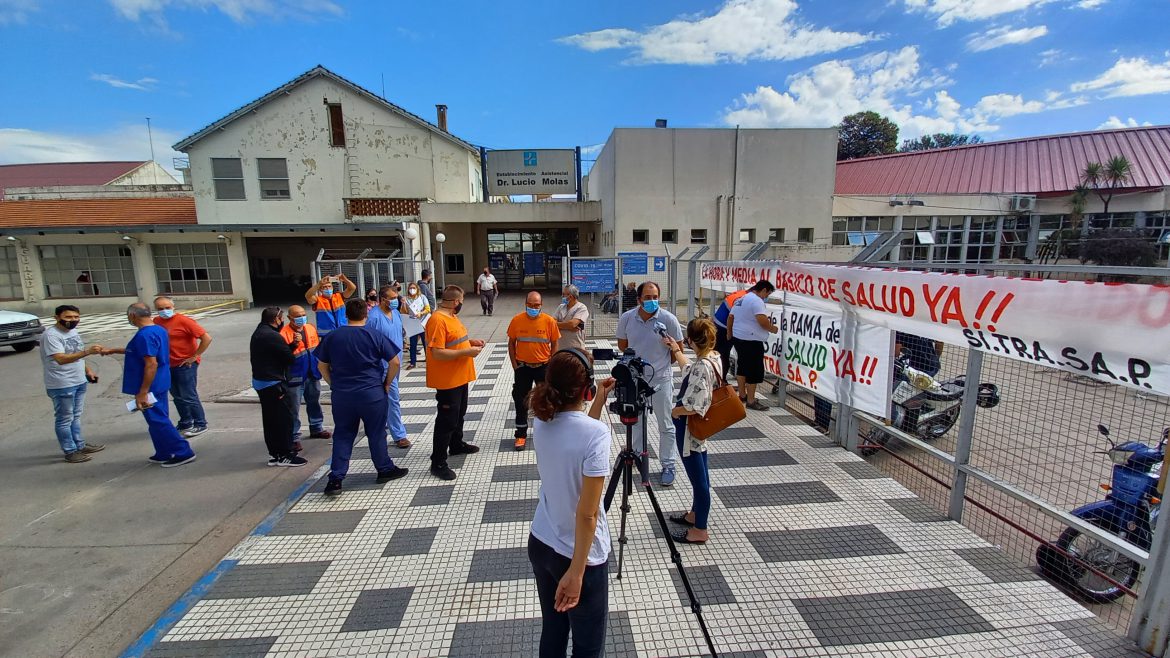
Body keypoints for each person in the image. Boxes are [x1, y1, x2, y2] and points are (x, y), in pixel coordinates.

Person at [528, 349, 616, 658]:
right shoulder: (596, 434)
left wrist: (599, 401)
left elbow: (575, 434)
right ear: (586, 388)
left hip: (541, 542)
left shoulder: (541, 419)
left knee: (553, 629)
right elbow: (588, 514)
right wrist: (577, 573)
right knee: (588, 648)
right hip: (580, 556)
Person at [317, 299, 408, 496]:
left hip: (343, 395)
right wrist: (386, 383)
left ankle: (336, 478)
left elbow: (321, 365)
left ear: (346, 315)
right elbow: (394, 362)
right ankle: (384, 468)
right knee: (376, 432)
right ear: (365, 315)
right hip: (371, 393)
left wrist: (333, 383)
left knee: (343, 434)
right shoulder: (374, 335)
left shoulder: (333, 337)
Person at [105, 303, 196, 468]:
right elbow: (140, 352)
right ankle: (163, 451)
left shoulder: (144, 335)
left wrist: (143, 391)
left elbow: (151, 363)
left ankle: (182, 451)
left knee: (158, 419)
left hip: (151, 384)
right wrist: (113, 351)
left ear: (132, 316)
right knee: (156, 419)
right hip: (160, 380)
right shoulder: (158, 329)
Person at [616, 281, 683, 486]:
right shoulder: (627, 318)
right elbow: (622, 345)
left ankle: (668, 464)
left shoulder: (668, 320)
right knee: (636, 421)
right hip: (636, 380)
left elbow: (677, 349)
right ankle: (635, 456)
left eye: (655, 297)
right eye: (647, 297)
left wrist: (662, 367)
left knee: (666, 424)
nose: (652, 301)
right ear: (638, 299)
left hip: (662, 379)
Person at [667, 318, 722, 544]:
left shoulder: (702, 366)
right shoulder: (714, 357)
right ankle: (694, 514)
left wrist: (675, 411)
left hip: (691, 428)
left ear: (690, 339)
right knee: (701, 471)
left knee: (699, 479)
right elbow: (690, 370)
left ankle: (700, 529)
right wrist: (677, 351)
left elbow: (694, 404)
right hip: (700, 427)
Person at [425, 285, 484, 480]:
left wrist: (470, 343)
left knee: (459, 414)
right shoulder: (437, 320)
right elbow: (437, 352)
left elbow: (454, 341)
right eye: (462, 302)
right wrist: (466, 352)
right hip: (447, 380)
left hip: (460, 376)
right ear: (456, 302)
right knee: (446, 420)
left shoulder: (452, 317)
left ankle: (456, 445)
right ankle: (438, 462)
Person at [40, 305, 104, 463]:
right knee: (64, 418)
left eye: (76, 317)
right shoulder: (51, 335)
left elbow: (77, 354)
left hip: (79, 380)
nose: (73, 321)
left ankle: (79, 445)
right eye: (68, 317)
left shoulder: (72, 331)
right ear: (57, 317)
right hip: (62, 383)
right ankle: (70, 451)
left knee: (75, 416)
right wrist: (88, 352)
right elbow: (61, 358)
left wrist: (87, 370)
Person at [251, 306, 306, 467]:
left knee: (270, 420)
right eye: (281, 319)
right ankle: (285, 453)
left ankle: (276, 452)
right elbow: (288, 358)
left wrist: (293, 345)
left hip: (262, 381)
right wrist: (295, 345)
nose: (282, 322)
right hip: (272, 383)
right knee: (283, 420)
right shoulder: (272, 336)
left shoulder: (259, 332)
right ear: (276, 320)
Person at [507, 291, 561, 450]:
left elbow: (555, 343)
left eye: (536, 305)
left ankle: (548, 432)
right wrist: (514, 364)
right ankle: (521, 434)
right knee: (520, 400)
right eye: (530, 305)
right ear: (525, 304)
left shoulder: (549, 321)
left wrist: (551, 363)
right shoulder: (517, 320)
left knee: (546, 400)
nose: (533, 308)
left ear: (541, 305)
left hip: (543, 367)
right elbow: (511, 343)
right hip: (522, 367)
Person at [153, 296, 212, 438]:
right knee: (177, 396)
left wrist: (195, 356)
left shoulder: (184, 321)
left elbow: (206, 338)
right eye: (160, 308)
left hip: (185, 364)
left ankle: (200, 423)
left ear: (173, 307)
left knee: (188, 395)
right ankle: (186, 422)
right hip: (168, 364)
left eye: (167, 308)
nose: (164, 311)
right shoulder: (156, 322)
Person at [366, 284, 412, 449]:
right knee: (393, 398)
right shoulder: (374, 317)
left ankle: (383, 421)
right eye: (392, 299)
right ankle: (399, 435)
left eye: (396, 298)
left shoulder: (396, 313)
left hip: (396, 361)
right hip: (383, 364)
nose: (395, 301)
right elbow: (369, 343)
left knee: (386, 397)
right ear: (382, 299)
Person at [281, 305, 332, 442]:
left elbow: (317, 348)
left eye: (303, 314)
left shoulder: (310, 328)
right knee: (293, 407)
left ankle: (316, 428)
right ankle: (293, 437)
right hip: (295, 375)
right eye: (297, 316)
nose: (301, 318)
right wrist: (294, 344)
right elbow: (282, 355)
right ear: (289, 318)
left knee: (314, 401)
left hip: (312, 372)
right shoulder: (283, 333)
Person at [727, 280, 778, 411]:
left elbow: (731, 317)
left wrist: (730, 333)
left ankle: (743, 395)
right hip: (751, 340)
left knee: (742, 367)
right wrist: (772, 328)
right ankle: (751, 400)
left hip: (739, 338)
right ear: (763, 290)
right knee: (754, 371)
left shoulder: (742, 298)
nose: (765, 298)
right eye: (767, 295)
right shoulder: (756, 301)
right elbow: (762, 320)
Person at [712, 288, 750, 384]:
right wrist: (730, 333)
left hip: (718, 324)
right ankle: (721, 380)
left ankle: (719, 379)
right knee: (723, 355)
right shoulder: (743, 299)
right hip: (724, 328)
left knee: (720, 354)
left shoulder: (741, 294)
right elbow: (733, 317)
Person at [403, 281, 431, 370]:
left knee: (425, 342)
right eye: (410, 288)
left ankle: (429, 361)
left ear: (417, 289)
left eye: (414, 288)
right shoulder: (406, 299)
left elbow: (428, 308)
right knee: (413, 343)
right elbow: (404, 312)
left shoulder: (422, 297)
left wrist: (421, 313)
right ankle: (412, 362)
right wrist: (403, 304)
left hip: (423, 322)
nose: (412, 290)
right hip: (412, 323)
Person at [553, 284, 589, 352]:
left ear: (571, 296)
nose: (562, 296)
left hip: (576, 347)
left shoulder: (581, 308)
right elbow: (551, 323)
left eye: (564, 294)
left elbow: (572, 324)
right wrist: (568, 327)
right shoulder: (561, 307)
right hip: (560, 347)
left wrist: (558, 325)